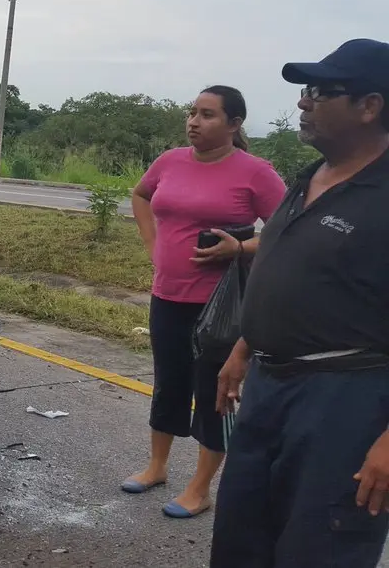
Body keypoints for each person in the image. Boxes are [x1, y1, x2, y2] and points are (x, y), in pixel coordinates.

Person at [211, 39, 389, 567]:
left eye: (319, 91)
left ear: (370, 106)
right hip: (269, 387)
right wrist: (245, 345)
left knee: (320, 546)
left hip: (347, 401)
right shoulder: (309, 177)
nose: (303, 103)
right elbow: (291, 266)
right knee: (243, 535)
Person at [122, 85, 286, 519]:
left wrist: (240, 248)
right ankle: (157, 467)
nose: (194, 121)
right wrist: (151, 242)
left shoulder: (255, 172)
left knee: (215, 392)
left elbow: (288, 229)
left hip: (221, 305)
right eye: (192, 113)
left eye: (208, 115)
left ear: (234, 124)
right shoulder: (170, 160)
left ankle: (200, 487)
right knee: (168, 380)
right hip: (167, 295)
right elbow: (141, 195)